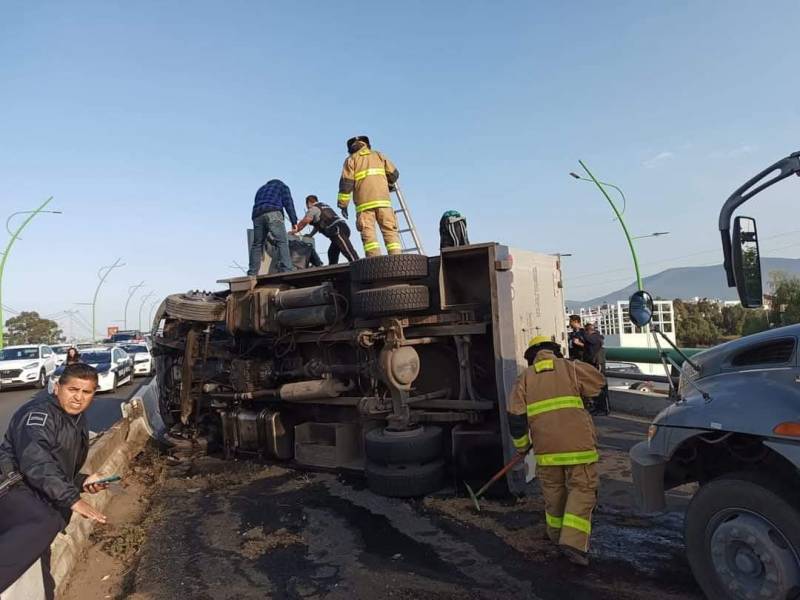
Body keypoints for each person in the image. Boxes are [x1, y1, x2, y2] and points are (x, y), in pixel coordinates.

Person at [0, 363, 110, 597]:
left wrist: (82, 481)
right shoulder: (39, 414)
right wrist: (72, 498)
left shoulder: (76, 419)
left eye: (86, 392)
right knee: (46, 521)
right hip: (11, 489)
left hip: (38, 492)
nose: (79, 398)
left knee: (42, 577)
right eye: (73, 390)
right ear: (58, 387)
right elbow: (35, 461)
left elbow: (57, 466)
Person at [507, 335, 605, 566]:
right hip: (578, 445)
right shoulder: (570, 367)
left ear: (531, 356)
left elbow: (516, 418)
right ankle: (572, 542)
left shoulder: (524, 379)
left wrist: (522, 446)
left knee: (553, 492)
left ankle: (555, 534)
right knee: (582, 488)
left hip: (546, 449)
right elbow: (598, 383)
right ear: (554, 351)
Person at [336, 135, 401, 257]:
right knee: (390, 232)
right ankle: (396, 259)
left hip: (364, 206)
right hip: (384, 203)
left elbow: (346, 185)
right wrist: (388, 185)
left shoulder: (351, 160)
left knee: (369, 236)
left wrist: (343, 205)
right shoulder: (379, 155)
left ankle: (374, 263)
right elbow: (394, 174)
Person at [248, 179, 298, 275]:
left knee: (257, 245)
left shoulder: (261, 189)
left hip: (257, 215)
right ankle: (287, 270)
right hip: (273, 212)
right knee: (282, 242)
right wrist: (293, 221)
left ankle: (252, 273)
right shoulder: (282, 187)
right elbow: (289, 203)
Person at [292, 195, 359, 264]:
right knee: (332, 253)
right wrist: (311, 234)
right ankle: (333, 272)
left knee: (348, 251)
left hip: (337, 230)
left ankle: (359, 267)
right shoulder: (323, 206)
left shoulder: (313, 209)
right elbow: (319, 224)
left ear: (308, 203)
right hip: (342, 227)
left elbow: (305, 221)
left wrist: (295, 231)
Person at [583, 323, 610, 416]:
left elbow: (589, 340)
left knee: (600, 386)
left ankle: (603, 408)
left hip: (598, 365)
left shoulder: (595, 338)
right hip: (595, 364)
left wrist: (583, 333)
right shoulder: (596, 337)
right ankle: (598, 407)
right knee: (596, 386)